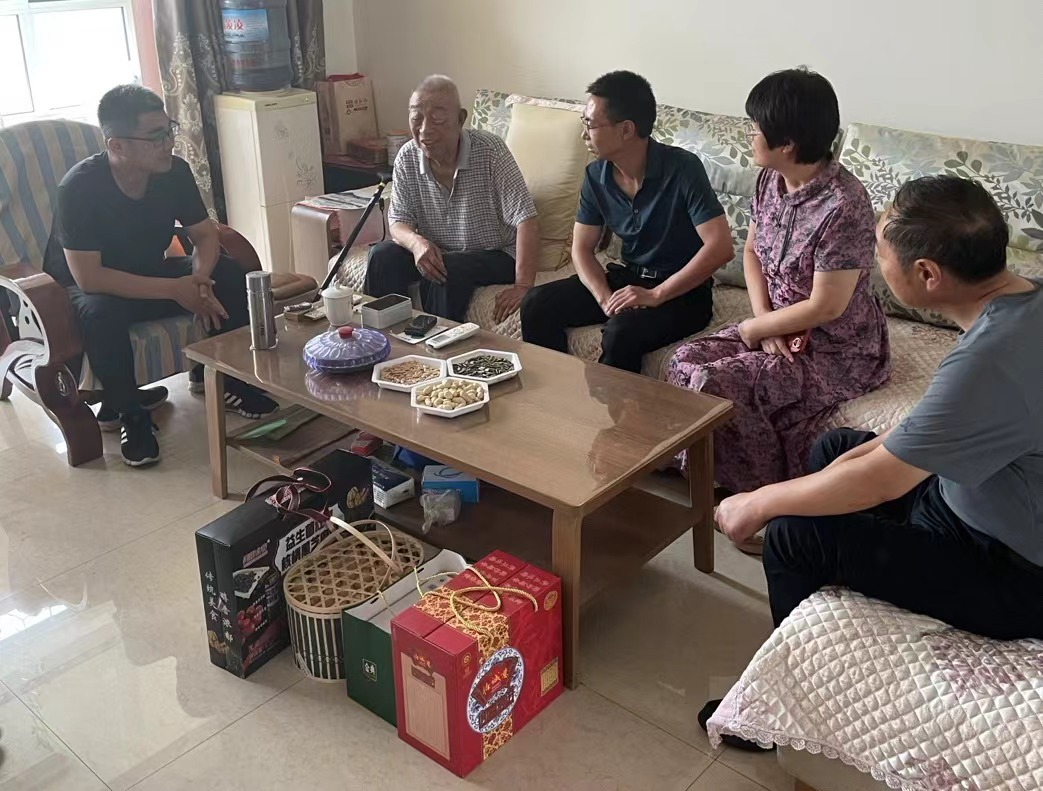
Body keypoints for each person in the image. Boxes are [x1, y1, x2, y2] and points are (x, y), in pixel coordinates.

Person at [703, 174, 1043, 750]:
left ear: (927, 274)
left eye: (879, 253)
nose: (872, 264)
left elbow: (883, 480)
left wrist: (755, 502)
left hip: (1011, 570)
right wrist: (839, 475)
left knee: (791, 536)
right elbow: (913, 439)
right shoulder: (1023, 301)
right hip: (972, 498)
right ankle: (826, 624)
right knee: (835, 449)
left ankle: (779, 713)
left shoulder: (990, 359)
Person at [667, 68, 890, 499]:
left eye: (755, 128)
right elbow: (752, 253)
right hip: (775, 323)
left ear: (786, 143)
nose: (749, 136)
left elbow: (827, 306)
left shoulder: (844, 204)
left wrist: (755, 329)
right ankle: (710, 479)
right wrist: (764, 321)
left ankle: (763, 498)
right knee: (683, 361)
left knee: (717, 382)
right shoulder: (770, 179)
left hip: (833, 347)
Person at [44, 85, 278, 467]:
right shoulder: (79, 187)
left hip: (147, 272)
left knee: (228, 273)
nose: (169, 143)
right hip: (89, 288)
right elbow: (89, 277)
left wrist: (199, 280)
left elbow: (205, 236)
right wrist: (174, 289)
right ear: (117, 145)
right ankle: (130, 413)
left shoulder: (174, 172)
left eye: (169, 130)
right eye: (156, 137)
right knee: (100, 313)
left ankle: (224, 379)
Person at [520, 70, 733, 374]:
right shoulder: (596, 176)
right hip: (628, 278)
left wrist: (656, 295)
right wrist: (605, 298)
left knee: (622, 332)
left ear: (626, 130)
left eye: (590, 124)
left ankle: (613, 408)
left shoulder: (682, 168)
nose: (584, 135)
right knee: (536, 303)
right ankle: (558, 393)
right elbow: (581, 249)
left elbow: (721, 247)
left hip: (683, 292)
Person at [364, 75, 539, 323]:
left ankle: (435, 342)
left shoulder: (490, 150)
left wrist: (523, 286)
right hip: (440, 249)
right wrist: (417, 243)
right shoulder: (407, 156)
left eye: (437, 119)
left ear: (460, 119)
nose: (425, 130)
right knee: (382, 256)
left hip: (496, 253)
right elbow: (398, 223)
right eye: (416, 118)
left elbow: (526, 219)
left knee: (446, 268)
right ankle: (381, 337)